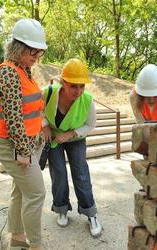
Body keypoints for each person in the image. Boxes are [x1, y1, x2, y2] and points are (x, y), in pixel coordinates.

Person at [0, 18, 47, 250]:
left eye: (39, 51)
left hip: (27, 143)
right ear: (18, 47)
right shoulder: (9, 74)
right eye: (33, 50)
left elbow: (29, 109)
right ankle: (36, 245)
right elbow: (13, 119)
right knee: (37, 193)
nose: (37, 55)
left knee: (21, 192)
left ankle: (17, 239)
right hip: (13, 146)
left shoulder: (24, 71)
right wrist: (23, 152)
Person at [42, 58, 102, 238]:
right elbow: (38, 111)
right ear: (63, 83)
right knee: (58, 173)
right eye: (73, 86)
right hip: (53, 137)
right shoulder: (47, 93)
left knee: (81, 173)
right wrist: (44, 125)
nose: (78, 91)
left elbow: (90, 125)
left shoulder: (88, 101)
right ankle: (61, 208)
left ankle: (91, 214)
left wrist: (70, 134)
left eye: (82, 86)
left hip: (75, 136)